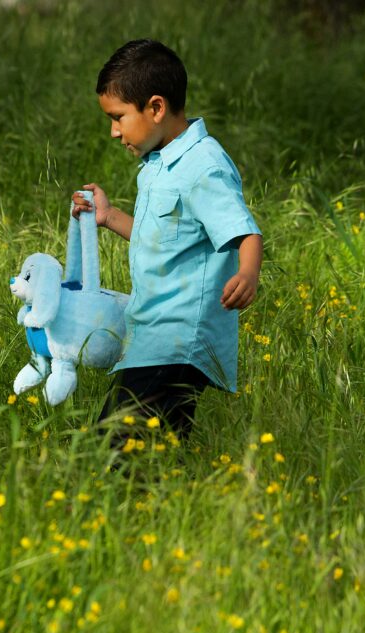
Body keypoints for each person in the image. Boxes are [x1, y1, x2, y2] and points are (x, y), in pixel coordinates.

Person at [72, 39, 263, 441]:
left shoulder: (202, 164)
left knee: (116, 448)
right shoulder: (157, 165)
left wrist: (247, 273)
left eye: (118, 117)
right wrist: (108, 217)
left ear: (155, 108)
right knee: (147, 450)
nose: (113, 131)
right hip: (150, 335)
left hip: (178, 339)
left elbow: (244, 231)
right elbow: (158, 239)